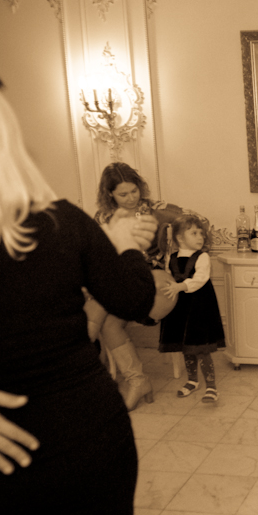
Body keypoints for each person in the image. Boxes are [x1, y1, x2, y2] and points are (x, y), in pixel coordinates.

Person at [0, 67, 160, 515]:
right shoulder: (63, 220)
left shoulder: (62, 221)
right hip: (77, 433)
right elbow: (136, 298)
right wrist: (125, 246)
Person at [89, 162, 160, 410]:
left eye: (134, 191)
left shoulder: (156, 211)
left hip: (153, 282)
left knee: (96, 305)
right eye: (123, 194)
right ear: (110, 194)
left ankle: (77, 368)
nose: (131, 198)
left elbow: (200, 223)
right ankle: (138, 381)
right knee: (108, 323)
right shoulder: (103, 218)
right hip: (119, 283)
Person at [158, 215, 226, 403]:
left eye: (201, 233)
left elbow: (200, 278)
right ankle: (192, 380)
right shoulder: (171, 258)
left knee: (201, 347)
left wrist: (181, 286)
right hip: (180, 307)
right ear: (180, 238)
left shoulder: (202, 257)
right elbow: (168, 279)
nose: (200, 237)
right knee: (186, 346)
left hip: (199, 307)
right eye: (194, 233)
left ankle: (211, 386)